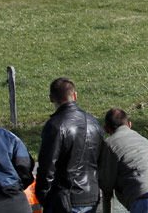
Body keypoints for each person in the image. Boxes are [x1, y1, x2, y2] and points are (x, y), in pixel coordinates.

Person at [36, 78, 103, 213]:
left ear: (51, 98)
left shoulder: (55, 125)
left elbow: (47, 165)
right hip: (92, 193)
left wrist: (43, 194)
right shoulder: (94, 122)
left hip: (66, 197)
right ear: (75, 95)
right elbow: (101, 158)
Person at [99, 108, 148, 213]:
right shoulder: (142, 139)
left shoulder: (110, 144)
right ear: (130, 124)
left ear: (106, 128)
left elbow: (106, 185)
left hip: (146, 199)